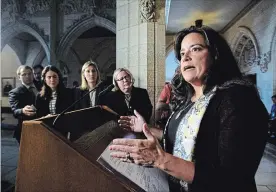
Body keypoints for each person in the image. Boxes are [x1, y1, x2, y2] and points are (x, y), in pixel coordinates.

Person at [108, 25, 268, 192]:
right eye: (183, 54)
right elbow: (184, 140)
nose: (185, 58)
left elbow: (232, 178)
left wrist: (161, 160)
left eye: (196, 49)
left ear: (215, 54)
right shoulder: (188, 100)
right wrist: (145, 128)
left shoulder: (237, 98)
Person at [9, 65, 38, 143]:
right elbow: (15, 111)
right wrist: (22, 110)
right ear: (19, 77)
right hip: (25, 129)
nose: (27, 76)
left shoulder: (41, 87)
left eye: (29, 73)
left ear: (33, 74)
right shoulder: (15, 92)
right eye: (24, 74)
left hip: (43, 126)